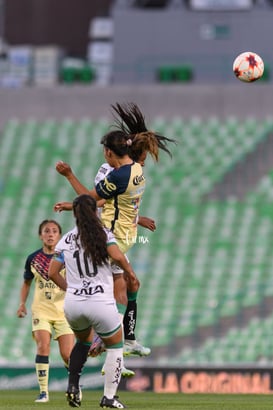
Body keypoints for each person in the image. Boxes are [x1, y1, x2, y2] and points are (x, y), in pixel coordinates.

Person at [54, 102, 176, 359]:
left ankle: (119, 339)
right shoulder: (136, 170)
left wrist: (68, 174)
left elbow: (94, 198)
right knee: (122, 287)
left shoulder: (120, 176)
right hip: (112, 238)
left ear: (110, 152)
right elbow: (103, 201)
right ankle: (111, 341)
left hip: (119, 234)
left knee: (130, 285)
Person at [48, 194, 136, 408]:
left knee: (82, 343)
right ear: (95, 211)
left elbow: (51, 273)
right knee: (115, 347)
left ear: (75, 215)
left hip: (74, 304)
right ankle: (109, 397)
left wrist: (71, 289)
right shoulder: (103, 234)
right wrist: (130, 273)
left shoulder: (66, 239)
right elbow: (116, 256)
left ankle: (72, 386)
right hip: (100, 302)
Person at [16, 219, 75, 403]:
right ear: (40, 235)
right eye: (46, 231)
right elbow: (26, 283)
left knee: (68, 355)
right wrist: (22, 304)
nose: (50, 234)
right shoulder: (33, 258)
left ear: (60, 235)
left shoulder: (67, 257)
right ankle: (43, 392)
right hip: (41, 311)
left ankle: (74, 385)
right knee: (43, 346)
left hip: (64, 312)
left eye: (54, 231)